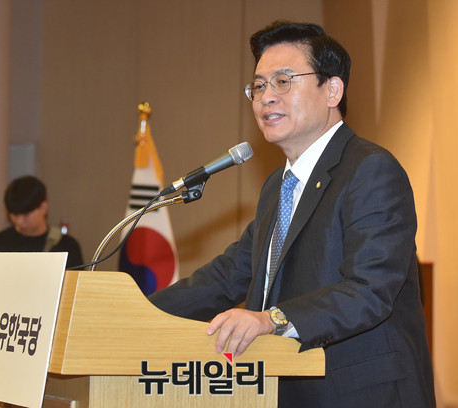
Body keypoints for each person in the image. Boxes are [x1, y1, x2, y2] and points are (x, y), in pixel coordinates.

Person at [148, 21, 435, 407]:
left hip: (362, 394)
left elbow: (370, 290)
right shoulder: (278, 186)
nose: (266, 97)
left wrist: (272, 319)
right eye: (258, 86)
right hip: (289, 390)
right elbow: (229, 275)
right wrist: (134, 312)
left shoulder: (370, 170)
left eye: (283, 82)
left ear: (332, 90)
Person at [0, 175, 84, 293]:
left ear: (43, 207)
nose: (19, 221)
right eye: (14, 214)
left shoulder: (67, 246)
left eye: (26, 214)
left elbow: (78, 290)